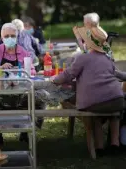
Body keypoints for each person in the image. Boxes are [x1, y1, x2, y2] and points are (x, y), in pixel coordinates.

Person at [51, 25, 125, 156]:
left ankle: (99, 147)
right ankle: (115, 144)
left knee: (95, 116)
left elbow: (68, 75)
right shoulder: (107, 57)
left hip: (95, 102)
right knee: (114, 114)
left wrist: (55, 80)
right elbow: (115, 73)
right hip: (117, 99)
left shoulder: (82, 58)